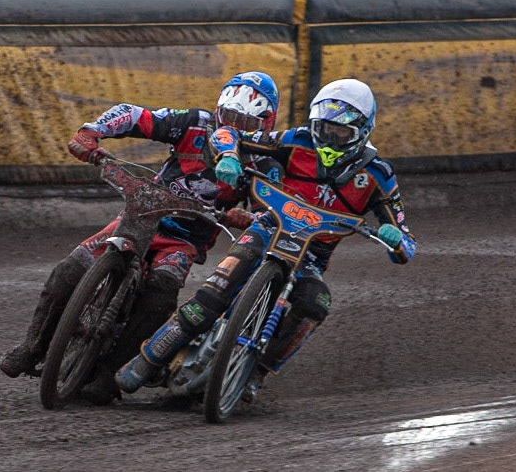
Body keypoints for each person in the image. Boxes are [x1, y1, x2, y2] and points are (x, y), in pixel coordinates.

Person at [115, 78, 417, 399]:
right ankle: (148, 359)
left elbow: (406, 242)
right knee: (212, 296)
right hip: (266, 230)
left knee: (315, 304)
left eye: (340, 132)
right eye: (323, 128)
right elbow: (227, 132)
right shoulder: (295, 140)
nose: (328, 138)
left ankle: (258, 370)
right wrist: (229, 155)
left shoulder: (378, 175)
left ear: (362, 131)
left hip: (309, 258)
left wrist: (394, 237)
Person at [0, 71, 284, 405]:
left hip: (184, 240)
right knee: (71, 267)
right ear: (219, 110)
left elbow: (275, 209)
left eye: (244, 121)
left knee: (160, 294)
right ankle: (32, 347)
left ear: (265, 122)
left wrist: (248, 217)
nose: (235, 127)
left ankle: (108, 374)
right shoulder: (194, 124)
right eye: (230, 117)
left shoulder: (267, 160)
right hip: (139, 215)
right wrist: (92, 132)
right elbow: (137, 116)